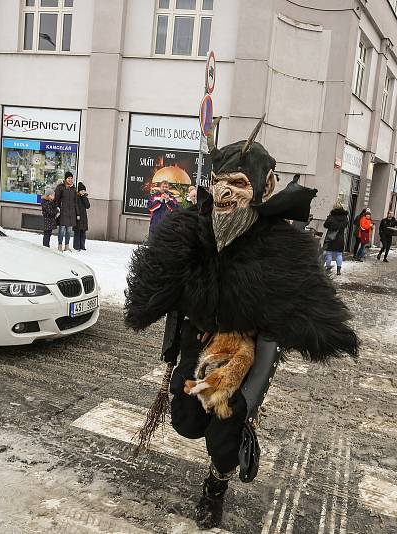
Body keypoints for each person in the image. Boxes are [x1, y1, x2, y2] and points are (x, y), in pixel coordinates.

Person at [125, 121, 358, 529]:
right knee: (185, 420)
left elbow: (290, 321)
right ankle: (216, 442)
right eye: (217, 182)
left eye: (236, 182)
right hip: (195, 347)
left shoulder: (279, 246)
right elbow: (163, 291)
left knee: (223, 440)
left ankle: (215, 487)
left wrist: (252, 389)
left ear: (263, 189)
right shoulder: (191, 230)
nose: (224, 192)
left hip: (243, 355)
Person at [323, 201, 349, 275]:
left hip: (331, 237)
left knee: (329, 254)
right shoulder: (345, 217)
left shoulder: (331, 216)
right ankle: (338, 270)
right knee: (339, 254)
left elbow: (325, 225)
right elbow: (346, 225)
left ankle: (328, 269)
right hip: (340, 238)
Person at [54, 171, 77, 252]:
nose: (70, 180)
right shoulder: (60, 187)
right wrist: (57, 209)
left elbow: (75, 202)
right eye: (68, 178)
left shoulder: (74, 189)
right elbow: (56, 199)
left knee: (69, 231)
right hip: (63, 212)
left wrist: (77, 213)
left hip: (71, 213)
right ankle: (60, 245)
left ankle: (67, 246)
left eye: (71, 178)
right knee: (62, 230)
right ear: (65, 179)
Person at [73, 182, 91, 251]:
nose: (83, 192)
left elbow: (88, 206)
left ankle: (82, 246)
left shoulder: (84, 197)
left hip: (84, 217)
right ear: (79, 191)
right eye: (82, 190)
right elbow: (75, 206)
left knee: (83, 232)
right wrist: (77, 214)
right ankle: (77, 246)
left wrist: (84, 196)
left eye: (84, 190)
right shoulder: (76, 197)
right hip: (78, 216)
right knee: (77, 231)